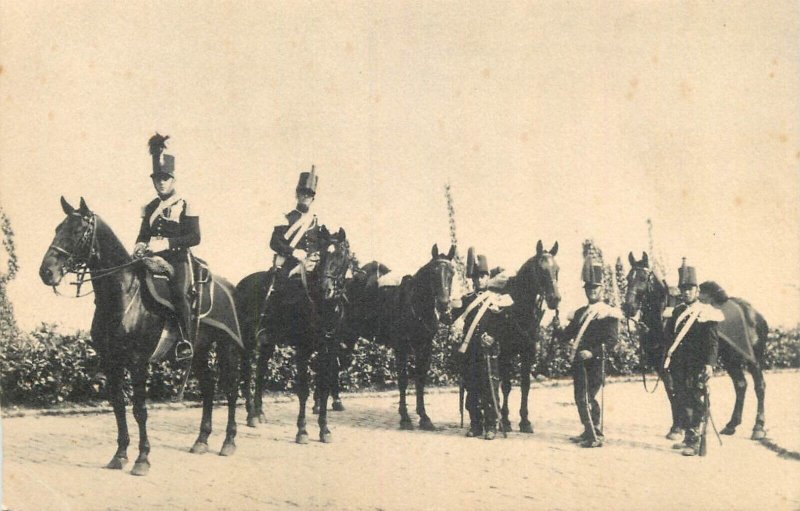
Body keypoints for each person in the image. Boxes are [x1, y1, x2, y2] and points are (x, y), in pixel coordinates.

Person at [133, 133, 200, 360]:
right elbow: (143, 234)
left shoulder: (185, 204)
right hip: (151, 260)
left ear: (173, 179)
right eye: (158, 178)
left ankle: (185, 342)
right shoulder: (149, 207)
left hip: (177, 259)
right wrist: (140, 245)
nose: (161, 182)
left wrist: (166, 243)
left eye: (165, 178)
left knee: (179, 294)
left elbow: (195, 237)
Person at [556, 259, 621, 448]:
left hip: (596, 362)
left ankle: (596, 433)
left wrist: (591, 353)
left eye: (595, 288)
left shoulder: (608, 313)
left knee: (589, 397)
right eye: (589, 288)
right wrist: (557, 329)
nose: (592, 291)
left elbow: (611, 341)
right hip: (579, 362)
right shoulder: (580, 313)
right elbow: (567, 335)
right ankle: (588, 430)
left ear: (602, 289)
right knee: (579, 396)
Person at [663, 259, 723, 456]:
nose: (686, 292)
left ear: (697, 290)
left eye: (690, 288)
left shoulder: (706, 312)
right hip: (679, 364)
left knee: (695, 401)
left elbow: (713, 342)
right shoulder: (678, 311)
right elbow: (670, 337)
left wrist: (710, 365)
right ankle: (689, 438)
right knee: (681, 399)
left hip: (696, 365)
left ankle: (694, 441)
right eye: (683, 289)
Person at [450, 252, 511, 440]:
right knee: (472, 389)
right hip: (471, 352)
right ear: (472, 279)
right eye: (476, 277)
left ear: (488, 277)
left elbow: (505, 325)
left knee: (490, 389)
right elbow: (453, 320)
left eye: (483, 276)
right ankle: (475, 423)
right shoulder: (466, 300)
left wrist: (493, 337)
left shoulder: (497, 299)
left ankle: (490, 425)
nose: (479, 280)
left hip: (488, 352)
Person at [268, 166, 325, 306]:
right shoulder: (286, 218)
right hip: (289, 265)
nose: (306, 197)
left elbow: (323, 245)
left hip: (311, 266)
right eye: (303, 193)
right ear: (297, 195)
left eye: (309, 194)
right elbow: (274, 243)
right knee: (280, 293)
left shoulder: (316, 222)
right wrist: (293, 252)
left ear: (313, 199)